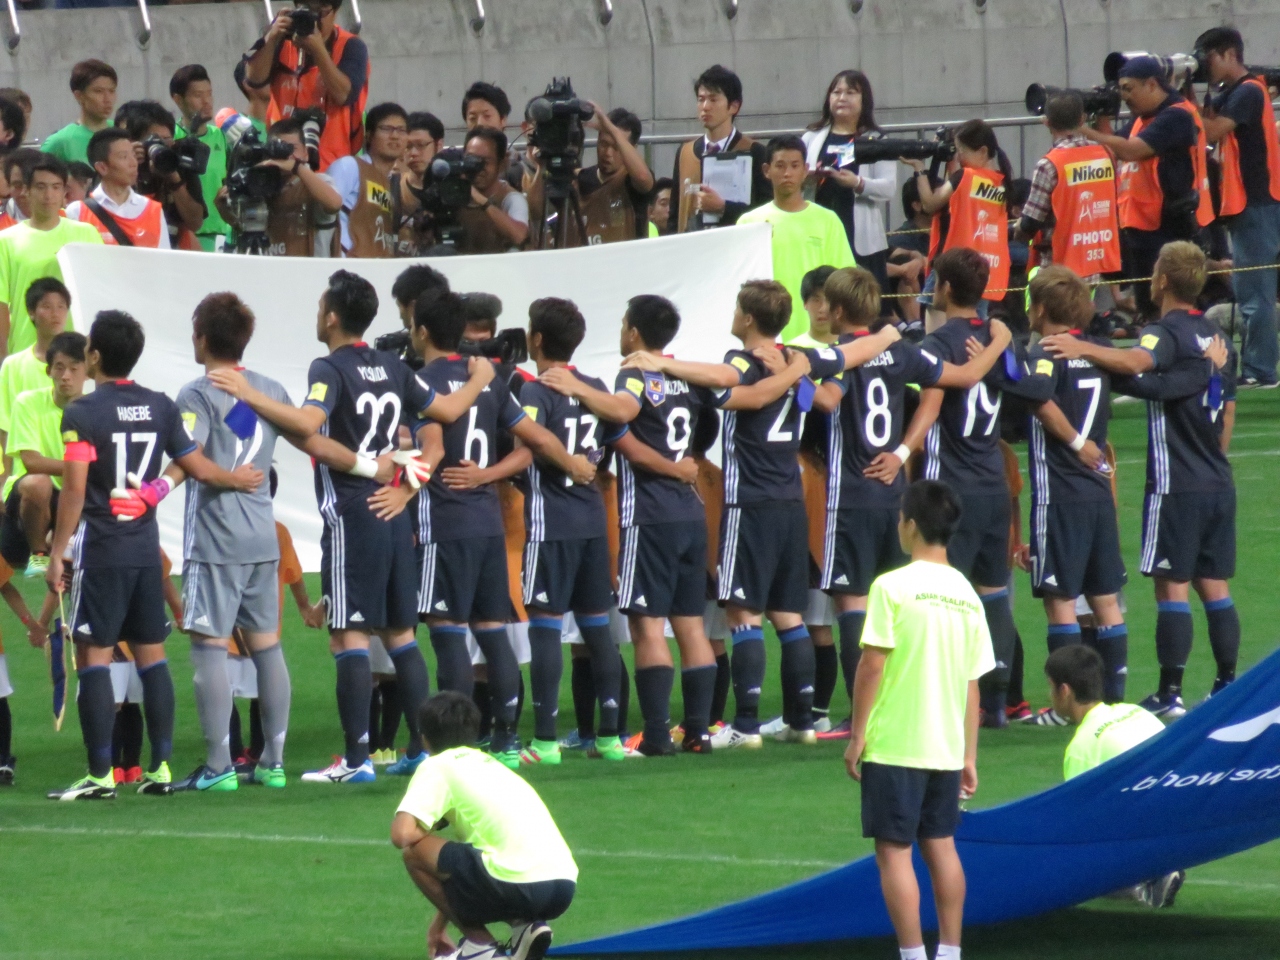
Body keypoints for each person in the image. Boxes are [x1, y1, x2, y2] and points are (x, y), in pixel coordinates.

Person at [207, 270, 496, 784]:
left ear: (333, 316)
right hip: (394, 511)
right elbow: (447, 412)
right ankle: (422, 751)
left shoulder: (330, 366)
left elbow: (308, 423)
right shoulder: (392, 364)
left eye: (321, 306)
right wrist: (479, 379)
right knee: (403, 636)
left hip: (353, 512)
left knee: (349, 640)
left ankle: (357, 761)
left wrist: (247, 393)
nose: (318, 314)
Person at [624, 280, 902, 749]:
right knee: (788, 614)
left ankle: (747, 725)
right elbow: (829, 399)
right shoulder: (796, 359)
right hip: (790, 500)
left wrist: (660, 363)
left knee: (744, 614)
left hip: (748, 502)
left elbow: (733, 387)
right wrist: (803, 375)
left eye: (736, 309)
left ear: (748, 319)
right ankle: (802, 721)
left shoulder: (743, 362)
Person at [44, 310, 264, 801]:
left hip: (102, 549)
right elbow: (195, 466)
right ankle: (161, 769)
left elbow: (75, 491)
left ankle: (100, 775)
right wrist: (237, 478)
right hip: (146, 551)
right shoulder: (162, 406)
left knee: (94, 658)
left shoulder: (80, 414)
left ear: (94, 357)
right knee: (152, 657)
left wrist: (58, 552)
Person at [810, 267, 1012, 739]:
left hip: (852, 496)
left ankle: (863, 713)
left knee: (854, 604)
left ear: (838, 311)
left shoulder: (840, 357)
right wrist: (903, 450)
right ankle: (915, 702)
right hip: (896, 497)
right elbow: (956, 381)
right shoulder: (901, 353)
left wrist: (787, 376)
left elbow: (822, 400)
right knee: (898, 604)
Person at [1041, 241, 1238, 719]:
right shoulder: (1215, 340)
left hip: (1178, 484)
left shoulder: (1164, 332)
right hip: (1217, 479)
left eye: (1153, 268)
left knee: (1172, 587)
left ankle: (1170, 693)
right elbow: (1227, 407)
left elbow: (1136, 365)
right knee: (1215, 587)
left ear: (1164, 281)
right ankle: (1227, 688)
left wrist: (1082, 345)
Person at [410, 288, 590, 770]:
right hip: (489, 523)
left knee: (448, 634)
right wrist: (569, 461)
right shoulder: (489, 382)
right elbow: (531, 444)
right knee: (492, 632)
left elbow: (430, 451)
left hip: (445, 524)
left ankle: (456, 745)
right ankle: (508, 739)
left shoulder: (421, 382)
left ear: (421, 331)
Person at [120, 294, 294, 793]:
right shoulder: (269, 389)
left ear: (201, 337)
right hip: (263, 536)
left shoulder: (195, 395)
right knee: (268, 648)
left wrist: (155, 490)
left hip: (216, 540)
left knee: (209, 651)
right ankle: (274, 762)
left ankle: (219, 766)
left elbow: (188, 456)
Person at [538, 295, 719, 755]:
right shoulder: (688, 378)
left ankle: (656, 735)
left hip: (651, 515)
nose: (621, 331)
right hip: (691, 512)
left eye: (623, 323)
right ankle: (698, 731)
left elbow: (622, 413)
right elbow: (708, 426)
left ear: (635, 333)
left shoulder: (635, 374)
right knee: (692, 626)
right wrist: (687, 464)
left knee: (648, 628)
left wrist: (576, 388)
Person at [844, 479, 994, 960]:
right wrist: (969, 754)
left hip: (897, 743)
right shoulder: (968, 595)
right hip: (947, 747)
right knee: (942, 846)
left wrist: (856, 733)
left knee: (894, 851)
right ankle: (949, 952)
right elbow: (973, 685)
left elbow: (872, 664)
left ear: (909, 525)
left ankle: (912, 954)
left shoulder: (892, 587)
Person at [504, 298, 632, 765]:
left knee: (545, 627)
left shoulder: (536, 393)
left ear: (536, 339)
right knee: (599, 630)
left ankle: (543, 742)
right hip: (592, 525)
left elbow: (528, 445)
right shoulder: (594, 387)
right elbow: (620, 421)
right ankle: (610, 737)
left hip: (549, 525)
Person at [1003, 266, 1132, 710]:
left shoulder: (1045, 352)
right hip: (1099, 494)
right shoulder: (1097, 349)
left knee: (1060, 602)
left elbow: (1036, 398)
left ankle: (1070, 706)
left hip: (1059, 496)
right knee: (1104, 601)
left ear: (1039, 308)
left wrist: (1076, 443)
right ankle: (1113, 701)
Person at [910, 248, 1019, 727]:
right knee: (993, 594)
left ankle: (947, 701)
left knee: (944, 595)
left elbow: (930, 410)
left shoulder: (938, 345)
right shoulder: (997, 339)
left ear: (946, 288)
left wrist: (898, 454)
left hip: (949, 489)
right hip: (994, 484)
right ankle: (995, 704)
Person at [391, 692, 577, 960]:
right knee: (482, 857)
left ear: (424, 737)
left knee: (415, 852)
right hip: (562, 886)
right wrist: (438, 926)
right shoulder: (493, 765)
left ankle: (480, 947)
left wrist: (428, 828)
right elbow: (459, 867)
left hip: (518, 884)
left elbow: (402, 834)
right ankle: (525, 928)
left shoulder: (438, 766)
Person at [1044, 645, 1184, 908]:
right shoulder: (1135, 711)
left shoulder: (1082, 747)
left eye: (1051, 687)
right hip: (1178, 815)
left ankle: (1139, 882)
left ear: (1064, 691)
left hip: (1143, 829)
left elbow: (1080, 822)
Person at [1081, 56, 1213, 321]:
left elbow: (1133, 151)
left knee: (1169, 303)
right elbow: (1113, 147)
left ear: (1152, 84)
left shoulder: (1177, 114)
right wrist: (1099, 118)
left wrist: (1083, 129)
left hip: (1167, 225)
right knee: (1147, 305)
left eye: (1129, 89)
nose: (1124, 97)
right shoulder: (1143, 118)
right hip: (1140, 224)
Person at [1198, 26, 1280, 387]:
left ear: (1229, 54)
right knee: (1249, 289)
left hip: (1256, 201)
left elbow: (1210, 132)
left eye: (1209, 58)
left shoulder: (1248, 91)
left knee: (1255, 291)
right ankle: (1257, 367)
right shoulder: (1237, 92)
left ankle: (1261, 370)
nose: (1206, 67)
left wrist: (1183, 102)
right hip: (1247, 202)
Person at [738, 135, 855, 343]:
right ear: (767, 170)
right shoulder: (749, 222)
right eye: (780, 166)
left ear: (805, 170)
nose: (787, 173)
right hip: (769, 330)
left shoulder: (827, 220)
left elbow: (843, 279)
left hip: (819, 332)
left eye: (794, 166)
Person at [0, 329, 86, 586]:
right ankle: (38, 554)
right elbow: (31, 462)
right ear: (48, 371)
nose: (66, 376)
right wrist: (79, 468)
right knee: (38, 482)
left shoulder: (94, 410)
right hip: (31, 498)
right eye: (59, 368)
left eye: (74, 368)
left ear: (87, 371)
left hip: (74, 496)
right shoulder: (27, 402)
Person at [243, 0, 371, 170]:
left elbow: (343, 95)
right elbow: (254, 79)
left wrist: (318, 50)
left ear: (336, 10)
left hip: (331, 164)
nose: (314, 17)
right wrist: (271, 37)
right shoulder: (282, 41)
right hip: (283, 159)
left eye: (321, 10)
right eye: (307, 8)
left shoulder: (350, 45)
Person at [0, 155, 104, 362]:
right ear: (26, 190)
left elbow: (101, 291)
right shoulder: (6, 241)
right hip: (25, 353)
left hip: (77, 355)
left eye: (56, 187)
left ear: (65, 193)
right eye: (41, 187)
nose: (49, 195)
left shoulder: (87, 234)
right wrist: (3, 357)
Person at [908, 119, 1014, 318]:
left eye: (961, 151)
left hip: (952, 265)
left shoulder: (964, 176)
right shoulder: (1002, 182)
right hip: (984, 269)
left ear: (982, 151)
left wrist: (919, 169)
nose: (959, 156)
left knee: (938, 334)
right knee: (974, 327)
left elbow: (930, 205)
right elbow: (961, 196)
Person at [802, 70, 897, 287]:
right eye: (836, 92)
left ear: (865, 101)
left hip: (861, 233)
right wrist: (807, 178)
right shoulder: (811, 137)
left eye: (851, 92)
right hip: (819, 226)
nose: (842, 98)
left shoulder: (877, 140)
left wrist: (857, 183)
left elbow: (888, 188)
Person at [1016, 92, 1122, 281]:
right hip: (1093, 265)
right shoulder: (1105, 154)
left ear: (1046, 122)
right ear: (1082, 119)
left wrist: (1018, 230)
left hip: (1058, 270)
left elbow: (1030, 223)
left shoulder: (1049, 164)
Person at [219, 116, 342, 257]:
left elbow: (334, 203)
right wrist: (224, 210)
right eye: (278, 149)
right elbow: (247, 227)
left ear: (305, 153)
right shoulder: (260, 186)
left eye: (292, 149)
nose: (286, 156)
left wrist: (297, 168)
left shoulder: (319, 183)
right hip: (271, 273)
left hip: (309, 274)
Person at [668, 65, 771, 233]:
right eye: (701, 99)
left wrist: (724, 208)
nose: (705, 106)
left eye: (713, 99)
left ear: (734, 106)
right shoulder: (685, 152)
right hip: (691, 248)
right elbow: (674, 214)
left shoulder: (754, 152)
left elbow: (766, 210)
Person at [532, 105, 653, 246]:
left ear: (632, 148)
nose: (608, 153)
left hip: (621, 265)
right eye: (603, 144)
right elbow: (535, 210)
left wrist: (611, 129)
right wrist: (541, 166)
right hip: (577, 265)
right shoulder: (576, 179)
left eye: (616, 147)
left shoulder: (631, 182)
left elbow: (643, 177)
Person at [0, 278, 70, 491]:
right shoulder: (14, 366)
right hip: (28, 476)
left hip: (73, 473)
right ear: (31, 312)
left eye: (61, 307)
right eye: (47, 307)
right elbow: (5, 425)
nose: (55, 314)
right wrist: (4, 478)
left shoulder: (83, 364)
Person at [114, 99, 207, 251]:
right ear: (133, 142)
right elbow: (112, 212)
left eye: (166, 139)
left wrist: (173, 178)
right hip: (129, 250)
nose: (161, 146)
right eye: (153, 140)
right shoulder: (116, 167)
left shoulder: (176, 162)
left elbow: (195, 223)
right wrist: (128, 167)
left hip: (173, 252)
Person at [326, 103, 407, 258]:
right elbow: (323, 213)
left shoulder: (392, 183)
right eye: (386, 129)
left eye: (401, 130)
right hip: (345, 266)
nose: (395, 136)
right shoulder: (350, 166)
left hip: (375, 269)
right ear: (369, 135)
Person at [67, 129, 171, 248]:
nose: (133, 163)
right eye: (124, 157)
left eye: (133, 155)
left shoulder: (153, 210)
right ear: (102, 167)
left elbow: (163, 262)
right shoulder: (77, 212)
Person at [170, 65, 233, 252]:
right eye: (198, 96)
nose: (207, 102)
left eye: (209, 94)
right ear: (178, 100)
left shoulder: (221, 137)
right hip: (187, 236)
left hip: (221, 235)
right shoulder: (170, 138)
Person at [460, 126, 530, 253]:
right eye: (471, 160)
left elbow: (519, 236)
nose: (477, 168)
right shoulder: (453, 191)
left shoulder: (511, 199)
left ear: (501, 164)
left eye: (485, 162)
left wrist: (482, 201)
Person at [41, 59, 118, 166]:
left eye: (112, 91)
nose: (107, 99)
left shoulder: (122, 132)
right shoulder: (60, 142)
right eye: (98, 91)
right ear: (79, 96)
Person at [391, 111, 445, 256]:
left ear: (439, 145)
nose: (413, 153)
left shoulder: (452, 189)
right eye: (407, 146)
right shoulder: (389, 187)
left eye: (421, 145)